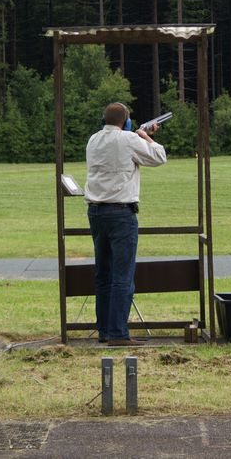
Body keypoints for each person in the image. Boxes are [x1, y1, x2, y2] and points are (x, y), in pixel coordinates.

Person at [84, 102, 167, 347]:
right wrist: (144, 136)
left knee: (104, 275)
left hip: (96, 213)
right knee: (123, 276)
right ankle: (119, 333)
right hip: (121, 213)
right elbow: (159, 157)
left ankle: (105, 330)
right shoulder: (130, 139)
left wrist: (135, 135)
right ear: (127, 121)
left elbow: (115, 149)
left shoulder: (93, 140)